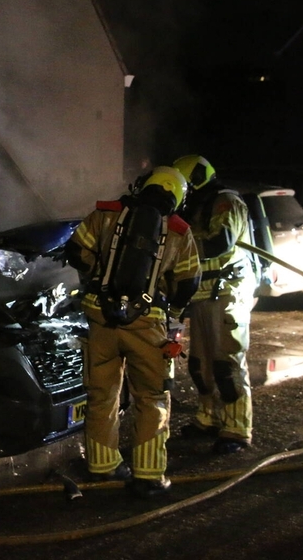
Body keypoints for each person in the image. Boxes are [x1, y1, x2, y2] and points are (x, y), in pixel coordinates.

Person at [67, 166, 201, 498]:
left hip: (101, 319)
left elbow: (76, 254)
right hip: (147, 324)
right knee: (151, 398)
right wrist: (174, 312)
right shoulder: (179, 231)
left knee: (102, 395)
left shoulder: (105, 214)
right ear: (178, 196)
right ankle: (149, 476)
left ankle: (102, 465)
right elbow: (188, 283)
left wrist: (99, 276)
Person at [172, 154, 258, 454]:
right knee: (201, 364)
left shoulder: (226, 202)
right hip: (203, 295)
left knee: (227, 363)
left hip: (227, 294)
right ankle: (207, 419)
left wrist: (177, 246)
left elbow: (219, 242)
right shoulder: (196, 206)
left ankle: (236, 429)